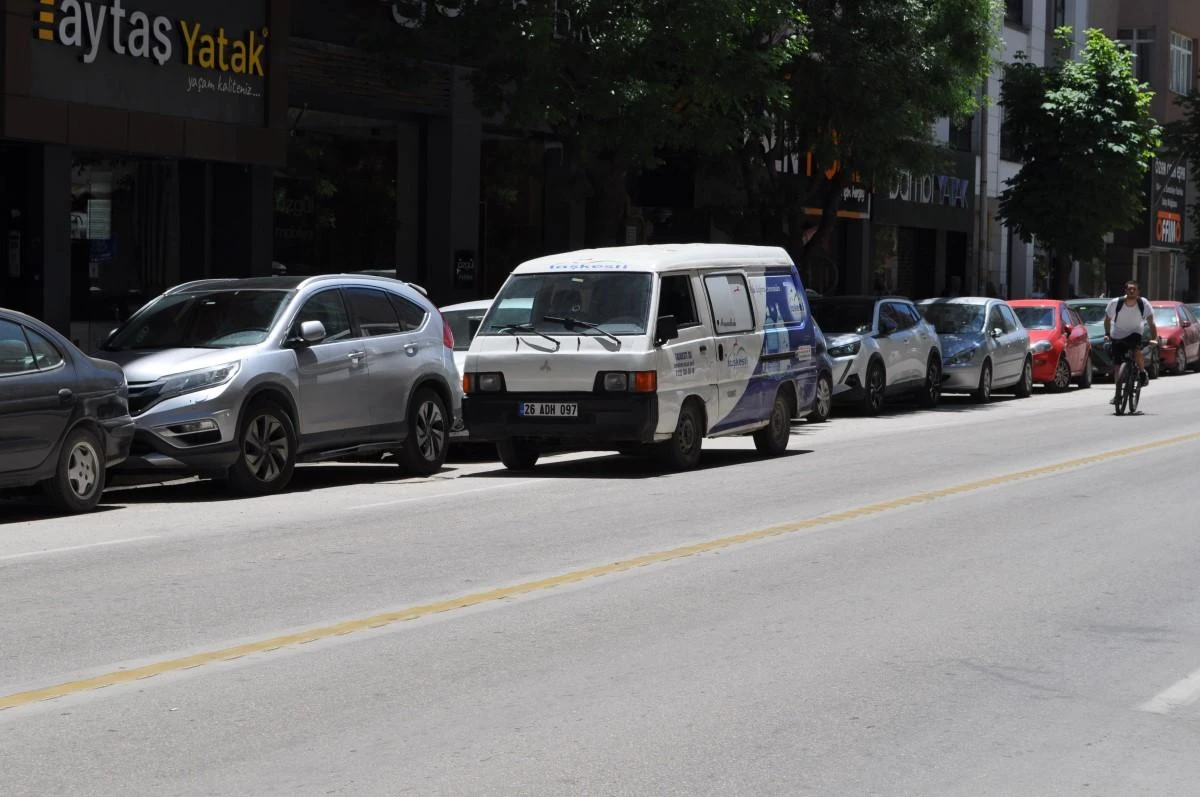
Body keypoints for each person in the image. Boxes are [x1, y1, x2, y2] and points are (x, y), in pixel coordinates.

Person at [1104, 280, 1157, 394]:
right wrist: (1107, 334)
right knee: (1118, 363)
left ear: (1138, 291)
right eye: (1129, 289)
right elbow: (1107, 320)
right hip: (1117, 333)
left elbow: (1151, 322)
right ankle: (1118, 392)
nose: (1132, 291)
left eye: (1134, 289)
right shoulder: (1115, 303)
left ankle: (1142, 372)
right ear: (1125, 291)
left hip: (1135, 332)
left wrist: (1154, 338)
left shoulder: (1143, 303)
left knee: (1136, 349)